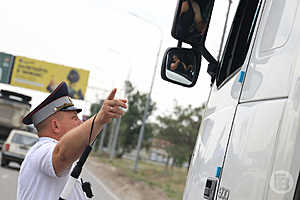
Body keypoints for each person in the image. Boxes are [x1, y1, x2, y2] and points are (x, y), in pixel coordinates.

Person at [17, 81, 127, 200]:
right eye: (74, 118)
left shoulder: (54, 154)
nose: (80, 123)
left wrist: (100, 121)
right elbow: (61, 155)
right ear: (55, 126)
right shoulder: (41, 150)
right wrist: (98, 119)